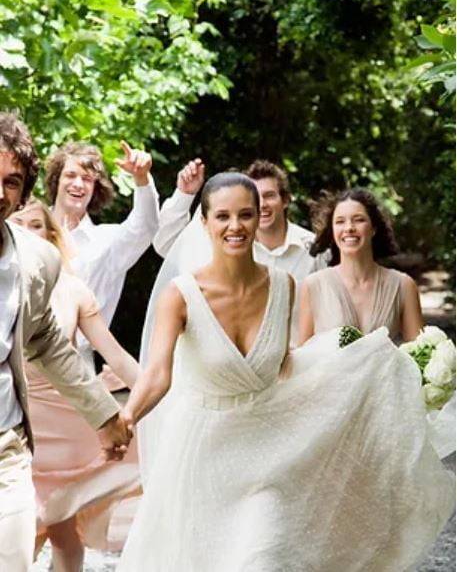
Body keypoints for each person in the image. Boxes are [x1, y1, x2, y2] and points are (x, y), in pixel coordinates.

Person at [119, 172, 454, 571]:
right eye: (223, 216)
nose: (235, 226)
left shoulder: (284, 286)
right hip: (202, 451)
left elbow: (289, 365)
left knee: (264, 556)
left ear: (260, 216)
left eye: (246, 214)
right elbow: (157, 374)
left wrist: (363, 371)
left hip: (265, 450)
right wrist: (126, 417)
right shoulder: (181, 295)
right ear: (204, 223)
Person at [0, 113, 131, 572]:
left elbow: (50, 345)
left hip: (9, 450)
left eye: (12, 182)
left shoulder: (36, 261)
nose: (0, 193)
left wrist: (104, 414)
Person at [153, 158, 327, 344]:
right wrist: (184, 195)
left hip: (297, 363)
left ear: (285, 200)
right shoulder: (230, 245)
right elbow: (166, 243)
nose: (263, 203)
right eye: (256, 198)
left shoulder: (314, 249)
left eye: (269, 195)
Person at [45, 140, 160, 378]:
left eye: (87, 179)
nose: (78, 184)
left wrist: (142, 179)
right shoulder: (28, 228)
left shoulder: (107, 242)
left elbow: (146, 227)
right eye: (71, 175)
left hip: (77, 366)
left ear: (95, 189)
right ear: (57, 181)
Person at [297, 188, 423, 344]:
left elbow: (420, 357)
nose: (349, 228)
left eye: (358, 219)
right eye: (340, 221)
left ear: (374, 228)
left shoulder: (403, 286)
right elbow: (302, 356)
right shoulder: (313, 286)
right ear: (333, 229)